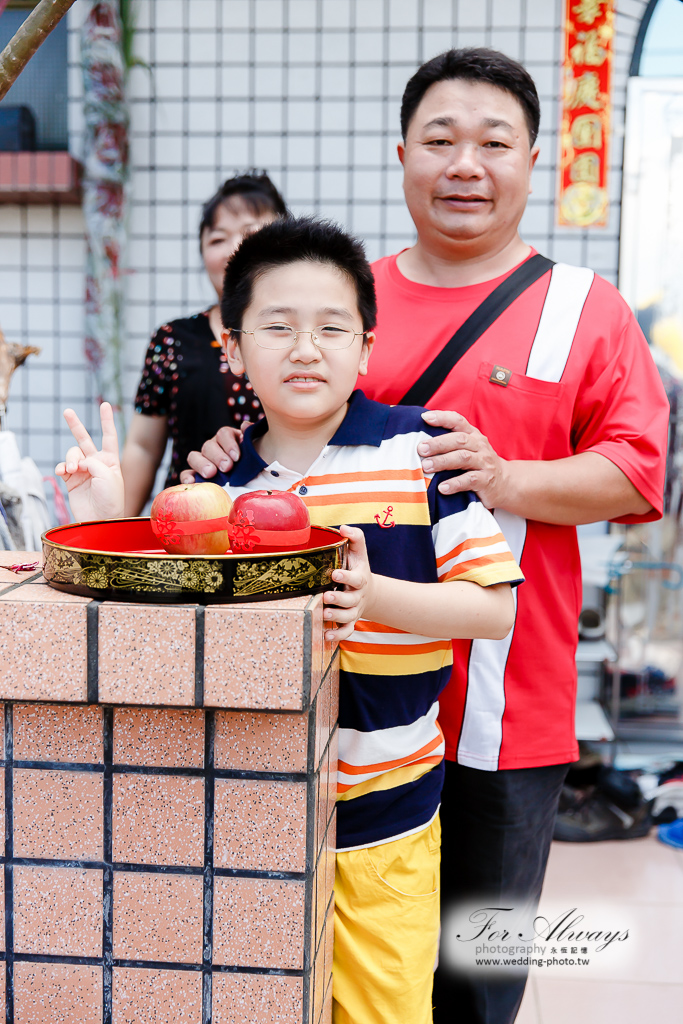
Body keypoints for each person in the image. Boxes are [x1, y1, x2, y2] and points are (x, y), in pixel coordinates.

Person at [183, 49, 670, 1024]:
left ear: (534, 158)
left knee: (475, 978)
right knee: (314, 973)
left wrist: (506, 477)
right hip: (324, 707)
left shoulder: (584, 308)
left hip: (505, 703)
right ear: (399, 153)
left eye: (493, 142)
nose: (464, 164)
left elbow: (638, 471)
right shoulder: (337, 297)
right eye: (439, 140)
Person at [56, 216, 525, 1024]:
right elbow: (167, 624)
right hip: (249, 808)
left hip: (388, 809)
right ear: (233, 350)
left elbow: (493, 607)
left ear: (366, 347)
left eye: (331, 327)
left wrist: (379, 600)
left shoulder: (418, 453)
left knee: (384, 1010)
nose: (305, 348)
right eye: (277, 327)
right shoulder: (218, 483)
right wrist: (108, 514)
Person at [120, 171, 288, 515]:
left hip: (282, 521)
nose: (233, 250)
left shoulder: (307, 339)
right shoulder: (172, 340)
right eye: (217, 239)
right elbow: (142, 447)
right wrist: (110, 536)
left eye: (251, 233)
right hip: (184, 526)